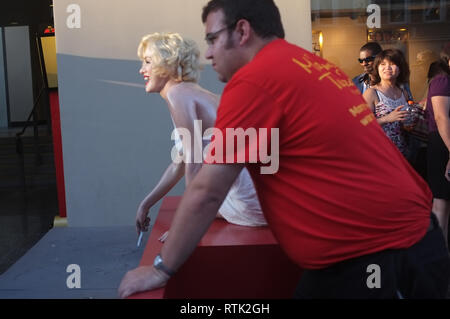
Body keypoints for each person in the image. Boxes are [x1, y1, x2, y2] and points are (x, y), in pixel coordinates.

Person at [119, 0, 450, 299]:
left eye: (213, 40)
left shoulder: (252, 82)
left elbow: (207, 188)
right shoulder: (317, 67)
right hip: (415, 238)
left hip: (368, 252)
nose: (207, 54)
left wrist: (161, 269)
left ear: (242, 31)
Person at [134, 32, 266, 238]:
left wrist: (184, 227)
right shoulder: (192, 92)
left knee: (199, 209)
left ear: (166, 64)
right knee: (204, 203)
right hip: (259, 196)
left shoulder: (177, 95)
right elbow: (180, 162)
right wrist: (146, 204)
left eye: (148, 62)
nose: (142, 69)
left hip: (246, 199)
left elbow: (193, 163)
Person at [363, 49, 413, 159]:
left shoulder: (403, 92)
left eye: (392, 64)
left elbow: (405, 124)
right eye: (383, 64)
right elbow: (362, 124)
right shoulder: (371, 93)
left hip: (402, 152)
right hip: (380, 153)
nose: (387, 68)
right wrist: (387, 118)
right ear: (377, 68)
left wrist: (409, 123)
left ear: (400, 69)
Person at [425, 59, 450, 246]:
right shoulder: (442, 81)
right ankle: (438, 253)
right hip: (443, 144)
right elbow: (441, 117)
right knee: (441, 203)